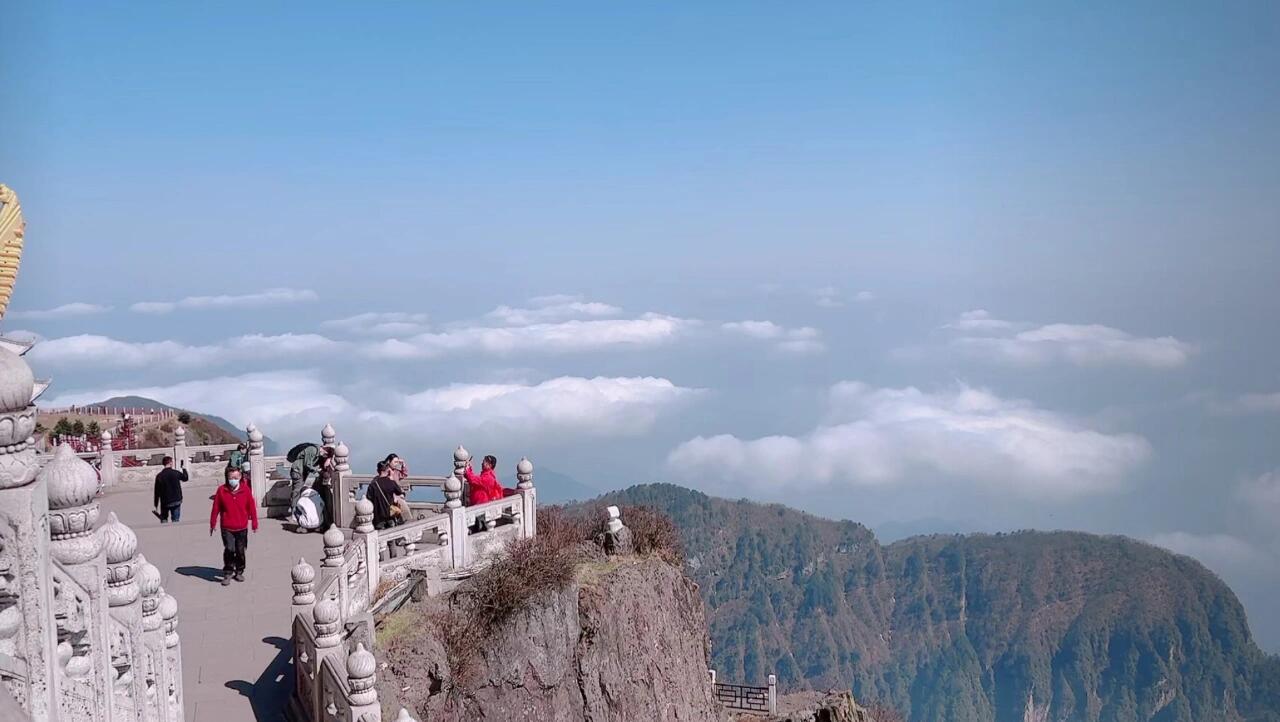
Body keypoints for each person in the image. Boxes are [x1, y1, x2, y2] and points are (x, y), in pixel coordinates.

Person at [209, 467, 258, 586]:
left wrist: (255, 523)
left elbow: (252, 507)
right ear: (227, 478)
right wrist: (212, 523)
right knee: (229, 549)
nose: (233, 480)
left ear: (240, 477)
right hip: (227, 527)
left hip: (242, 527)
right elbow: (216, 508)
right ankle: (228, 572)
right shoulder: (221, 490)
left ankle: (239, 570)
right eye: (231, 478)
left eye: (236, 478)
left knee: (240, 550)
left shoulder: (245, 490)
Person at [289, 443, 334, 529]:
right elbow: (307, 464)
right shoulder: (312, 450)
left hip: (302, 472)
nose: (325, 455)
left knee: (297, 491)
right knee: (297, 491)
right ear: (324, 449)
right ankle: (293, 514)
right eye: (325, 453)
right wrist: (317, 471)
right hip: (297, 470)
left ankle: (296, 511)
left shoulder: (318, 454)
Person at [367, 460, 405, 530]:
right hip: (390, 515)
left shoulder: (373, 485)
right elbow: (401, 493)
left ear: (377, 470)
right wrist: (391, 477)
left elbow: (368, 499)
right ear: (388, 470)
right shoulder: (391, 483)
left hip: (378, 517)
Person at [153, 456, 188, 523]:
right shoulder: (175, 473)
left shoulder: (159, 476)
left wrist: (156, 504)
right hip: (176, 499)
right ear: (170, 463)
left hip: (165, 501)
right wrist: (183, 469)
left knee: (164, 519)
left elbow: (156, 491)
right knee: (175, 520)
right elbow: (185, 478)